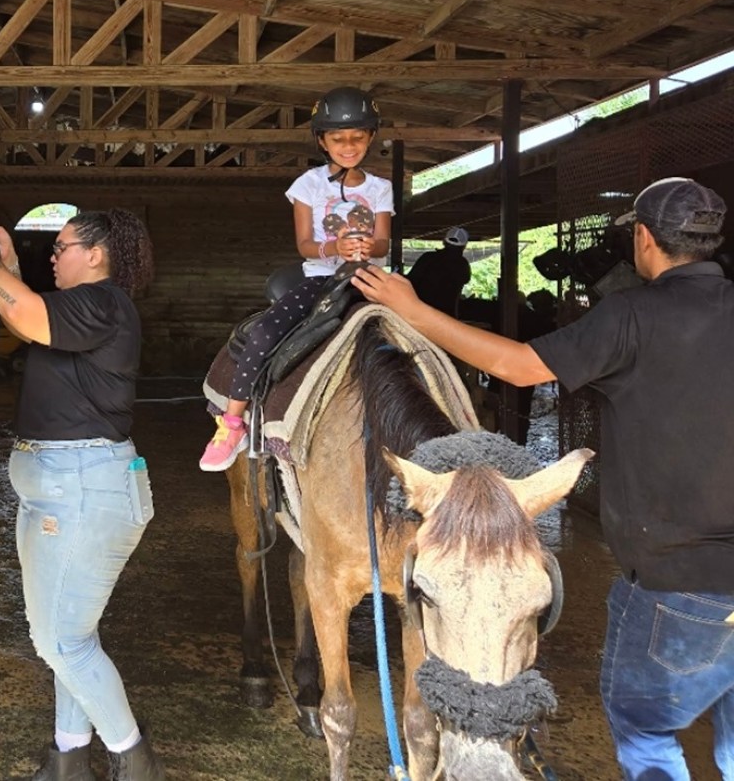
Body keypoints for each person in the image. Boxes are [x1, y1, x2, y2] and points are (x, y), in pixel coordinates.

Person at [351, 176, 734, 781]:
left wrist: (413, 311)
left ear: (643, 239)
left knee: (650, 735)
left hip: (677, 581)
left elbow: (519, 367)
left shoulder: (633, 315)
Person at [0, 208, 163, 781]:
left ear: (96, 254)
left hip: (81, 487)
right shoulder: (84, 308)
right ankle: (69, 757)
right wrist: (5, 263)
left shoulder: (104, 302)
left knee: (61, 641)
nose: (56, 256)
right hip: (62, 487)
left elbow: (22, 310)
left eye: (63, 247)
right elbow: (27, 308)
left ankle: (135, 760)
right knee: (66, 637)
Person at [198, 85, 394, 472]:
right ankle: (233, 422)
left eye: (357, 137)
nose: (349, 145)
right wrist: (336, 249)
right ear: (322, 140)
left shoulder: (381, 188)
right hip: (323, 279)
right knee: (264, 333)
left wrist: (368, 248)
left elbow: (384, 240)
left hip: (370, 277)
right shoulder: (308, 185)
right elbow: (305, 245)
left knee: (423, 330)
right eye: (338, 138)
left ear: (370, 137)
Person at [405, 225, 472, 316]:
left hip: (419, 312)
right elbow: (465, 279)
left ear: (444, 241)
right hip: (446, 317)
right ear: (464, 246)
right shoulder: (462, 265)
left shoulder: (428, 258)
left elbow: (410, 281)